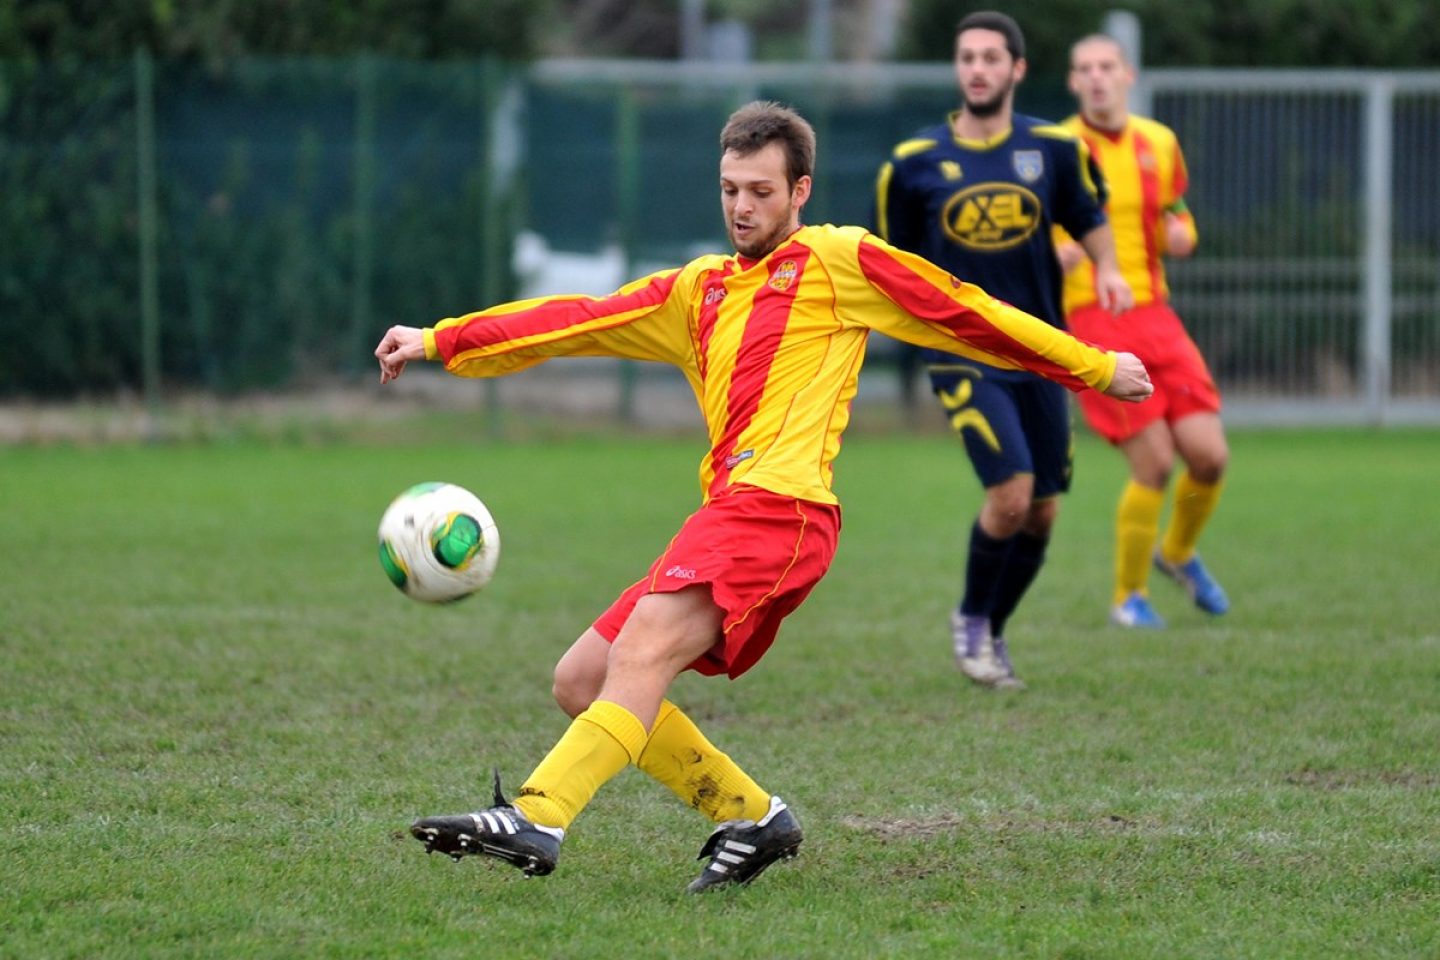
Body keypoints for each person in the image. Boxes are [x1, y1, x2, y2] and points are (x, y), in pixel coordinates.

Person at [375, 101, 1152, 893]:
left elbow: (963, 310)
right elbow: (575, 320)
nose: (742, 207)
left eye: (761, 191)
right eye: (729, 190)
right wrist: (440, 339)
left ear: (800, 191)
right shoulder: (697, 290)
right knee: (582, 679)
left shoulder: (839, 262)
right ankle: (750, 816)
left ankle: (540, 814)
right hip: (730, 513)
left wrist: (1090, 366)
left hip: (782, 509)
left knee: (640, 649)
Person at [872, 11, 1132, 689]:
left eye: (991, 57)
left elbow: (1091, 216)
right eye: (967, 57)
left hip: (1042, 349)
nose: (978, 69)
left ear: (1016, 69)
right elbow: (891, 264)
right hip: (961, 354)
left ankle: (993, 627)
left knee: (1043, 511)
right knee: (1011, 495)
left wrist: (1106, 267)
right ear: (957, 69)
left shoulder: (1052, 147)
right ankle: (969, 620)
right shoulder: (911, 164)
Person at [1055, 33, 1230, 629]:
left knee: (1209, 457)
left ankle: (1177, 553)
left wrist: (1186, 233)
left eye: (1107, 67)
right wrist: (1055, 253)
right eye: (1086, 70)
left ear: (1127, 74)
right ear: (1073, 82)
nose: (1098, 78)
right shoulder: (1056, 148)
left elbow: (1177, 213)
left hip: (1157, 313)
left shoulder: (1160, 141)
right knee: (1153, 464)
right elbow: (1033, 228)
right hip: (1092, 319)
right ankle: (1129, 597)